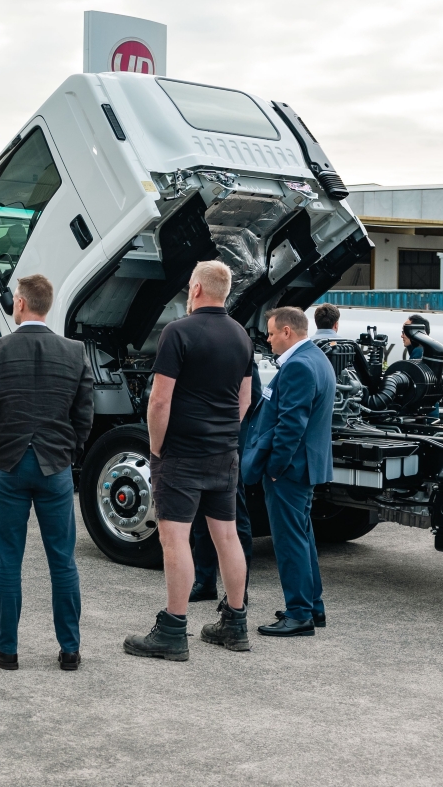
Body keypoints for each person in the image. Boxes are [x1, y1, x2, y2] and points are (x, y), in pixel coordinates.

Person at [124, 260, 253, 661]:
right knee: (226, 535)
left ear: (195, 289)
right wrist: (224, 434)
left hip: (181, 454)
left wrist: (157, 449)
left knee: (174, 538)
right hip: (223, 453)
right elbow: (244, 399)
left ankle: (173, 630)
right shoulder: (241, 336)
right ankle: (235, 623)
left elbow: (159, 400)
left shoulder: (177, 332)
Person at [0, 274, 94, 672]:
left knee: (8, 560)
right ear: (49, 304)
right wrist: (67, 450)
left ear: (20, 303)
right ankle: (70, 649)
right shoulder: (74, 352)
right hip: (55, 465)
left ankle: (6, 649)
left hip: (8, 463)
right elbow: (84, 414)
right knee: (63, 560)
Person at [242, 305, 336, 638]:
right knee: (303, 537)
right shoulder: (316, 358)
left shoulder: (298, 366)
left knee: (289, 541)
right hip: (303, 468)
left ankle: (299, 615)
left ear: (287, 332)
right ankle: (313, 607)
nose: (267, 340)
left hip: (290, 471)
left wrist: (275, 468)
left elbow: (290, 426)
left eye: (270, 333)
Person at [189, 353, 260, 603]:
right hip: (201, 442)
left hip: (229, 443)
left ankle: (239, 590)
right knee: (201, 517)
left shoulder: (239, 347)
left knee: (235, 516)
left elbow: (253, 398)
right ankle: (204, 581)